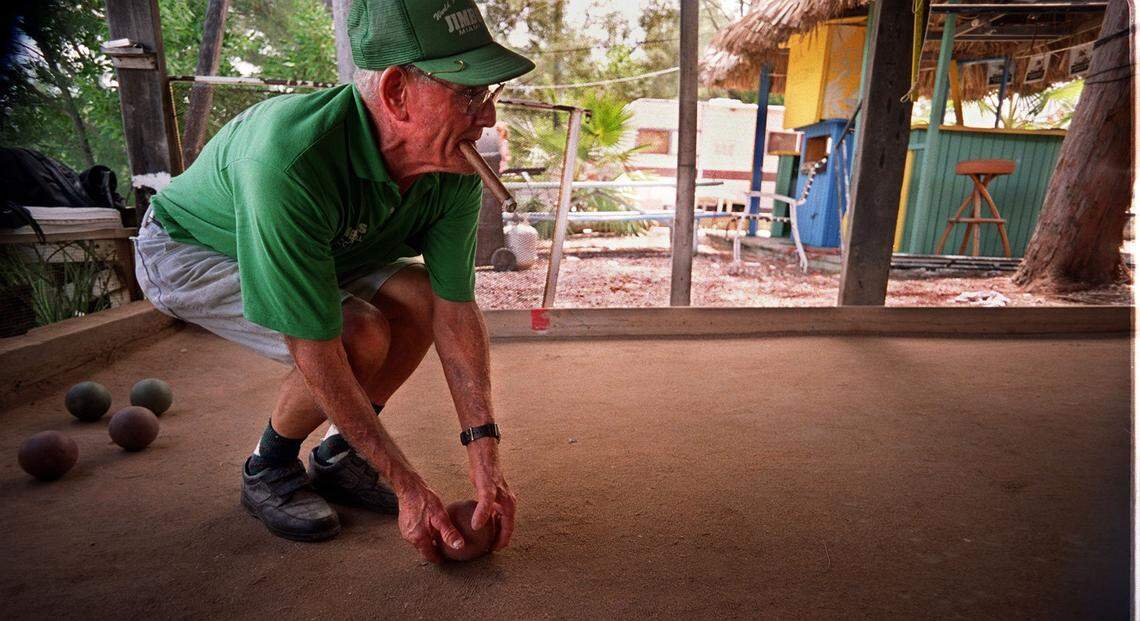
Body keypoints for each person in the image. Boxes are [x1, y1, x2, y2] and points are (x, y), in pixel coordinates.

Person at [132, 0, 534, 563]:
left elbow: (454, 309)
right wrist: (406, 484)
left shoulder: (450, 165)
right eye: (468, 95)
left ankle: (342, 457)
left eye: (489, 94)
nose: (486, 117)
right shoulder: (289, 158)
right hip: (190, 249)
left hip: (332, 244)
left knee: (420, 297)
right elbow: (316, 344)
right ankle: (269, 466)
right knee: (356, 331)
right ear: (396, 93)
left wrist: (485, 455)